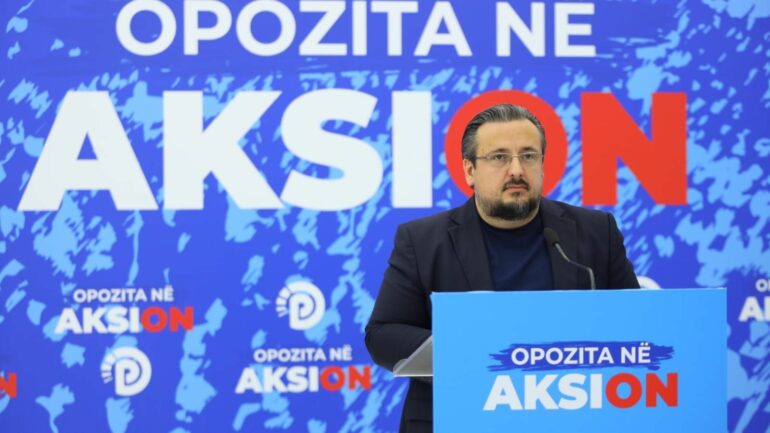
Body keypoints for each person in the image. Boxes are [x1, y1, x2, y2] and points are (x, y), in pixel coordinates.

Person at [364, 104, 640, 433]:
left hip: (570, 416)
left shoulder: (595, 231)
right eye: (499, 157)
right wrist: (479, 348)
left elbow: (637, 326)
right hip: (461, 416)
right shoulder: (423, 241)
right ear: (469, 170)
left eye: (528, 156)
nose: (516, 170)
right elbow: (383, 335)